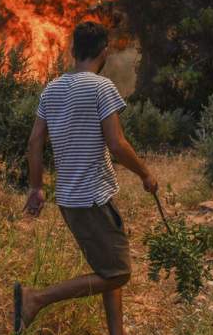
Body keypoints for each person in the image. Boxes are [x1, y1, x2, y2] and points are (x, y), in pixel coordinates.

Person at [13, 21, 159, 335]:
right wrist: (146, 174)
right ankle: (35, 299)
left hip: (69, 199)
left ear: (73, 50)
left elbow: (34, 142)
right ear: (103, 51)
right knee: (119, 274)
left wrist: (37, 188)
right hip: (93, 198)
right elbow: (117, 144)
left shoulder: (51, 89)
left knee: (107, 268)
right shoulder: (101, 87)